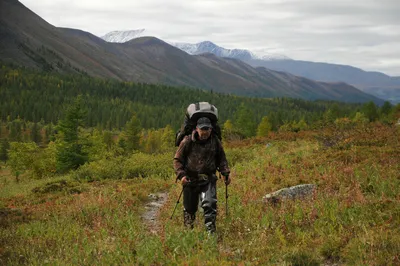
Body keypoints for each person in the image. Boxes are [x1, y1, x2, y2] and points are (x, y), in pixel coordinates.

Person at [173, 117, 230, 233]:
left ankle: (211, 233)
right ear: (196, 129)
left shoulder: (215, 141)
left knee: (210, 204)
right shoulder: (187, 141)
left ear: (211, 129)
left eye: (207, 129)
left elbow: (222, 159)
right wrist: (181, 175)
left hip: (208, 178)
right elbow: (177, 160)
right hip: (190, 179)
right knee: (190, 208)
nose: (205, 132)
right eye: (203, 129)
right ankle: (189, 232)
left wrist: (225, 173)